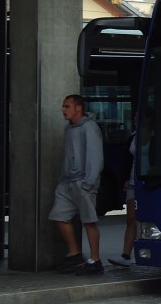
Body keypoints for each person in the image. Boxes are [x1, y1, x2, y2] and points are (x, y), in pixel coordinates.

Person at [49, 94, 105, 274]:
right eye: (63, 106)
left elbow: (95, 157)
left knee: (89, 221)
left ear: (78, 108)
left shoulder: (89, 128)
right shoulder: (70, 129)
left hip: (83, 182)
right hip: (68, 182)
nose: (63, 110)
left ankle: (95, 261)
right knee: (58, 216)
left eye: (67, 106)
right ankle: (75, 255)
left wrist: (88, 183)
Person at [110, 110, 150, 268]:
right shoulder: (134, 136)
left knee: (146, 218)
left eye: (139, 115)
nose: (135, 118)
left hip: (150, 182)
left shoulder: (157, 135)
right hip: (134, 182)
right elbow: (127, 161)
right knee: (131, 218)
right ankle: (126, 255)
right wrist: (125, 180)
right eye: (135, 116)